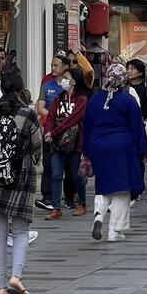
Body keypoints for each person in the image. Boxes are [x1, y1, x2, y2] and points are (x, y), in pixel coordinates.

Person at [83, 65, 147, 242]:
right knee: (122, 188)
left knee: (103, 183)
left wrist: (86, 150)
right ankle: (115, 229)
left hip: (98, 145)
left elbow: (86, 126)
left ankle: (98, 215)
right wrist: (144, 150)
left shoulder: (95, 100)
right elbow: (137, 127)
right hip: (122, 146)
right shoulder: (127, 100)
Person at [0, 71, 42, 294]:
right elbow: (36, 148)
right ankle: (16, 276)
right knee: (22, 229)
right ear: (21, 88)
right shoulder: (27, 113)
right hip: (21, 173)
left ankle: (0, 286)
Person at [44, 67, 90, 219]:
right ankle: (56, 207)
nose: (63, 80)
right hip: (57, 145)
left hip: (75, 144)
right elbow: (50, 116)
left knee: (76, 175)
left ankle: (81, 203)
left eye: (66, 77)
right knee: (56, 175)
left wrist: (53, 132)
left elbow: (73, 120)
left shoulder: (82, 100)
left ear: (74, 81)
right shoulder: (58, 98)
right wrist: (48, 132)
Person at [35, 53, 71, 211]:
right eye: (52, 65)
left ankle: (71, 196)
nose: (53, 68)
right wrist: (52, 116)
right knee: (48, 163)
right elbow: (40, 106)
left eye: (56, 65)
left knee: (69, 165)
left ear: (65, 67)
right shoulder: (47, 85)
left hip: (68, 131)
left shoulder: (69, 85)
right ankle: (47, 196)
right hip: (49, 130)